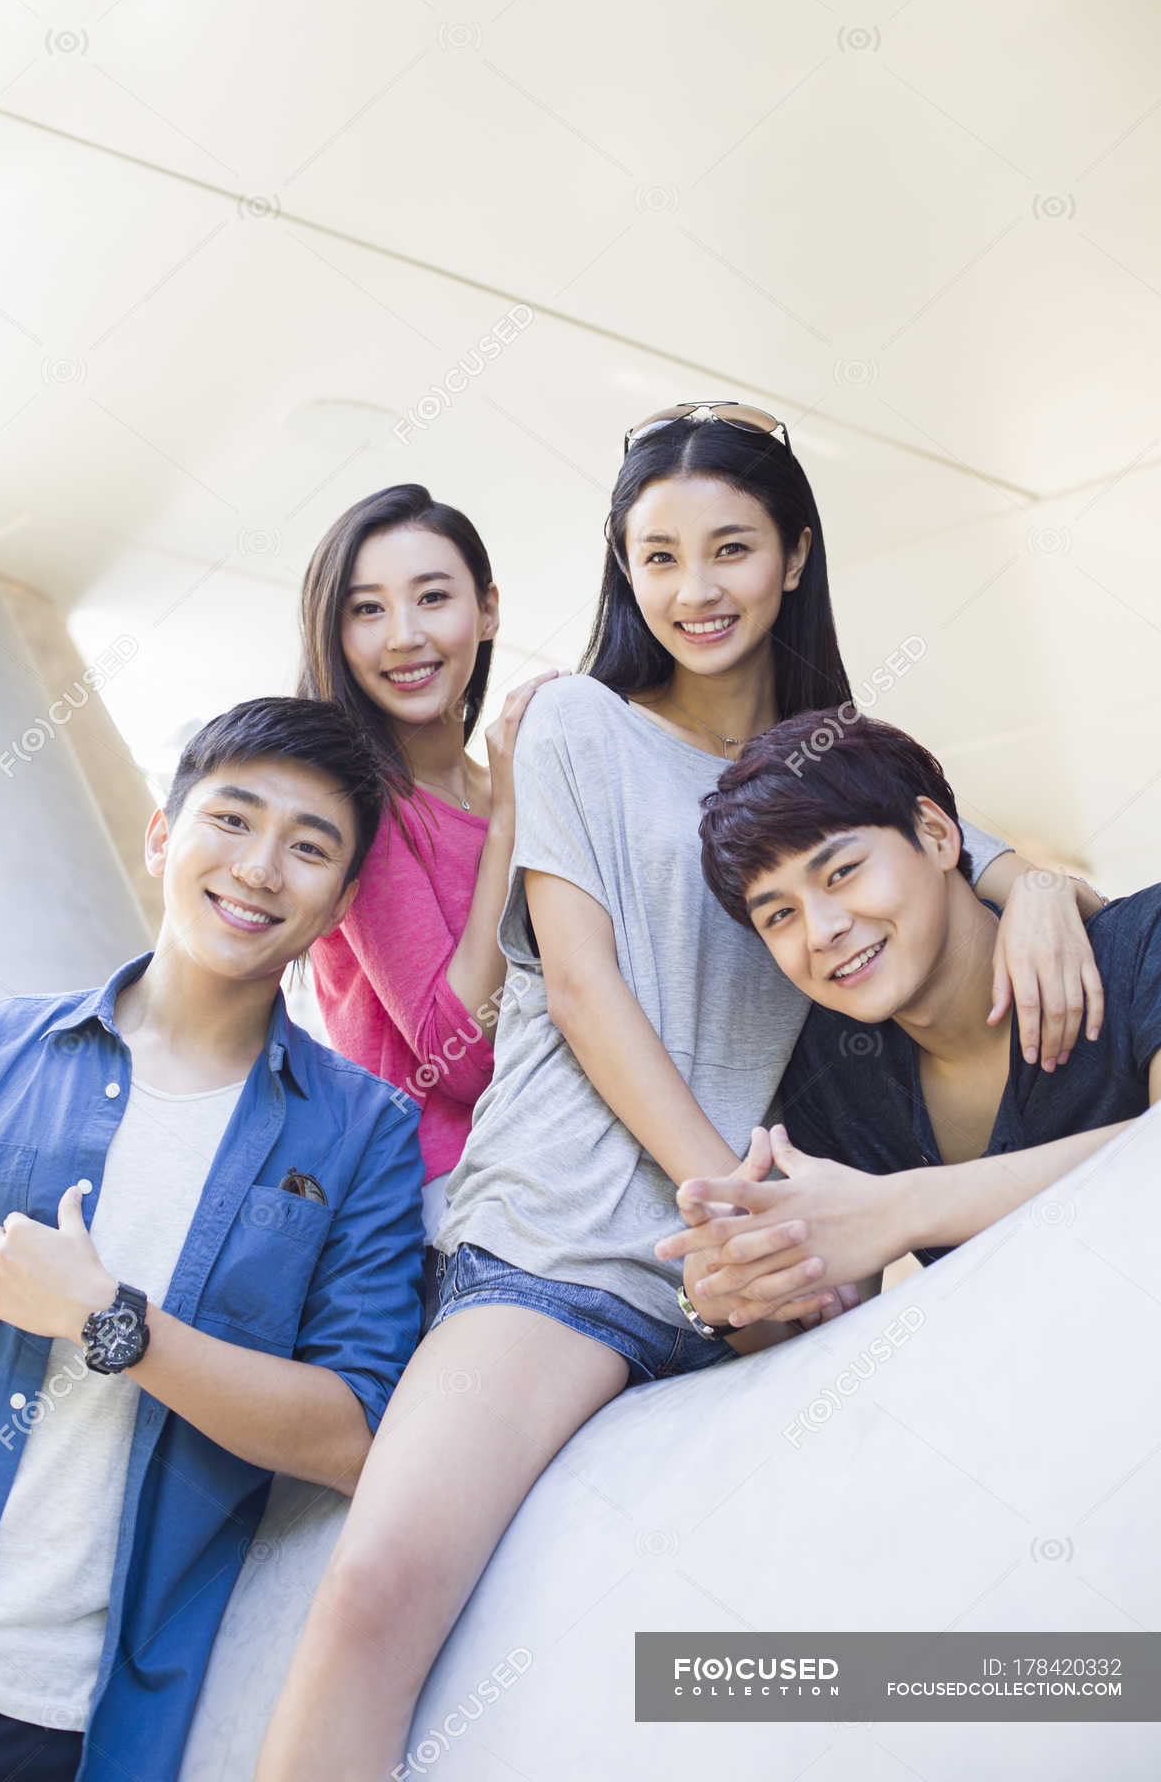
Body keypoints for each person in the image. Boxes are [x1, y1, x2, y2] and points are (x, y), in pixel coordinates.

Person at [256, 401, 1101, 1782]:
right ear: (622, 573)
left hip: (757, 1277)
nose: (696, 590)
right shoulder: (578, 724)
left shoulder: (826, 760)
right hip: (565, 1247)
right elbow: (582, 990)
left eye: (731, 550)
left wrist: (1044, 883)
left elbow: (967, 851)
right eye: (658, 558)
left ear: (794, 559)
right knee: (375, 1591)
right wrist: (735, 1208)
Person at [0, 698, 426, 1782]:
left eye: (309, 848)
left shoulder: (362, 1135)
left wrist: (110, 1322)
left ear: (341, 901)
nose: (261, 868)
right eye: (233, 820)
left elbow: (354, 1434)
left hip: (70, 1713)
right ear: (163, 835)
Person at [656, 708, 1157, 1330]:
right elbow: (821, 1317)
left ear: (938, 835)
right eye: (779, 916)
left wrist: (899, 1208)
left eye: (842, 872)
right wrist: (727, 1294)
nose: (822, 931)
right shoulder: (837, 1071)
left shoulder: (1141, 945)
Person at [298, 484, 564, 1299]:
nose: (404, 637)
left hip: (563, 1156)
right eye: (367, 610)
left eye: (433, 598)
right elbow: (462, 1056)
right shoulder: (360, 808)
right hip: (451, 1210)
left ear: (486, 610)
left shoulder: (511, 790)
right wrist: (515, 817)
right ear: (335, 634)